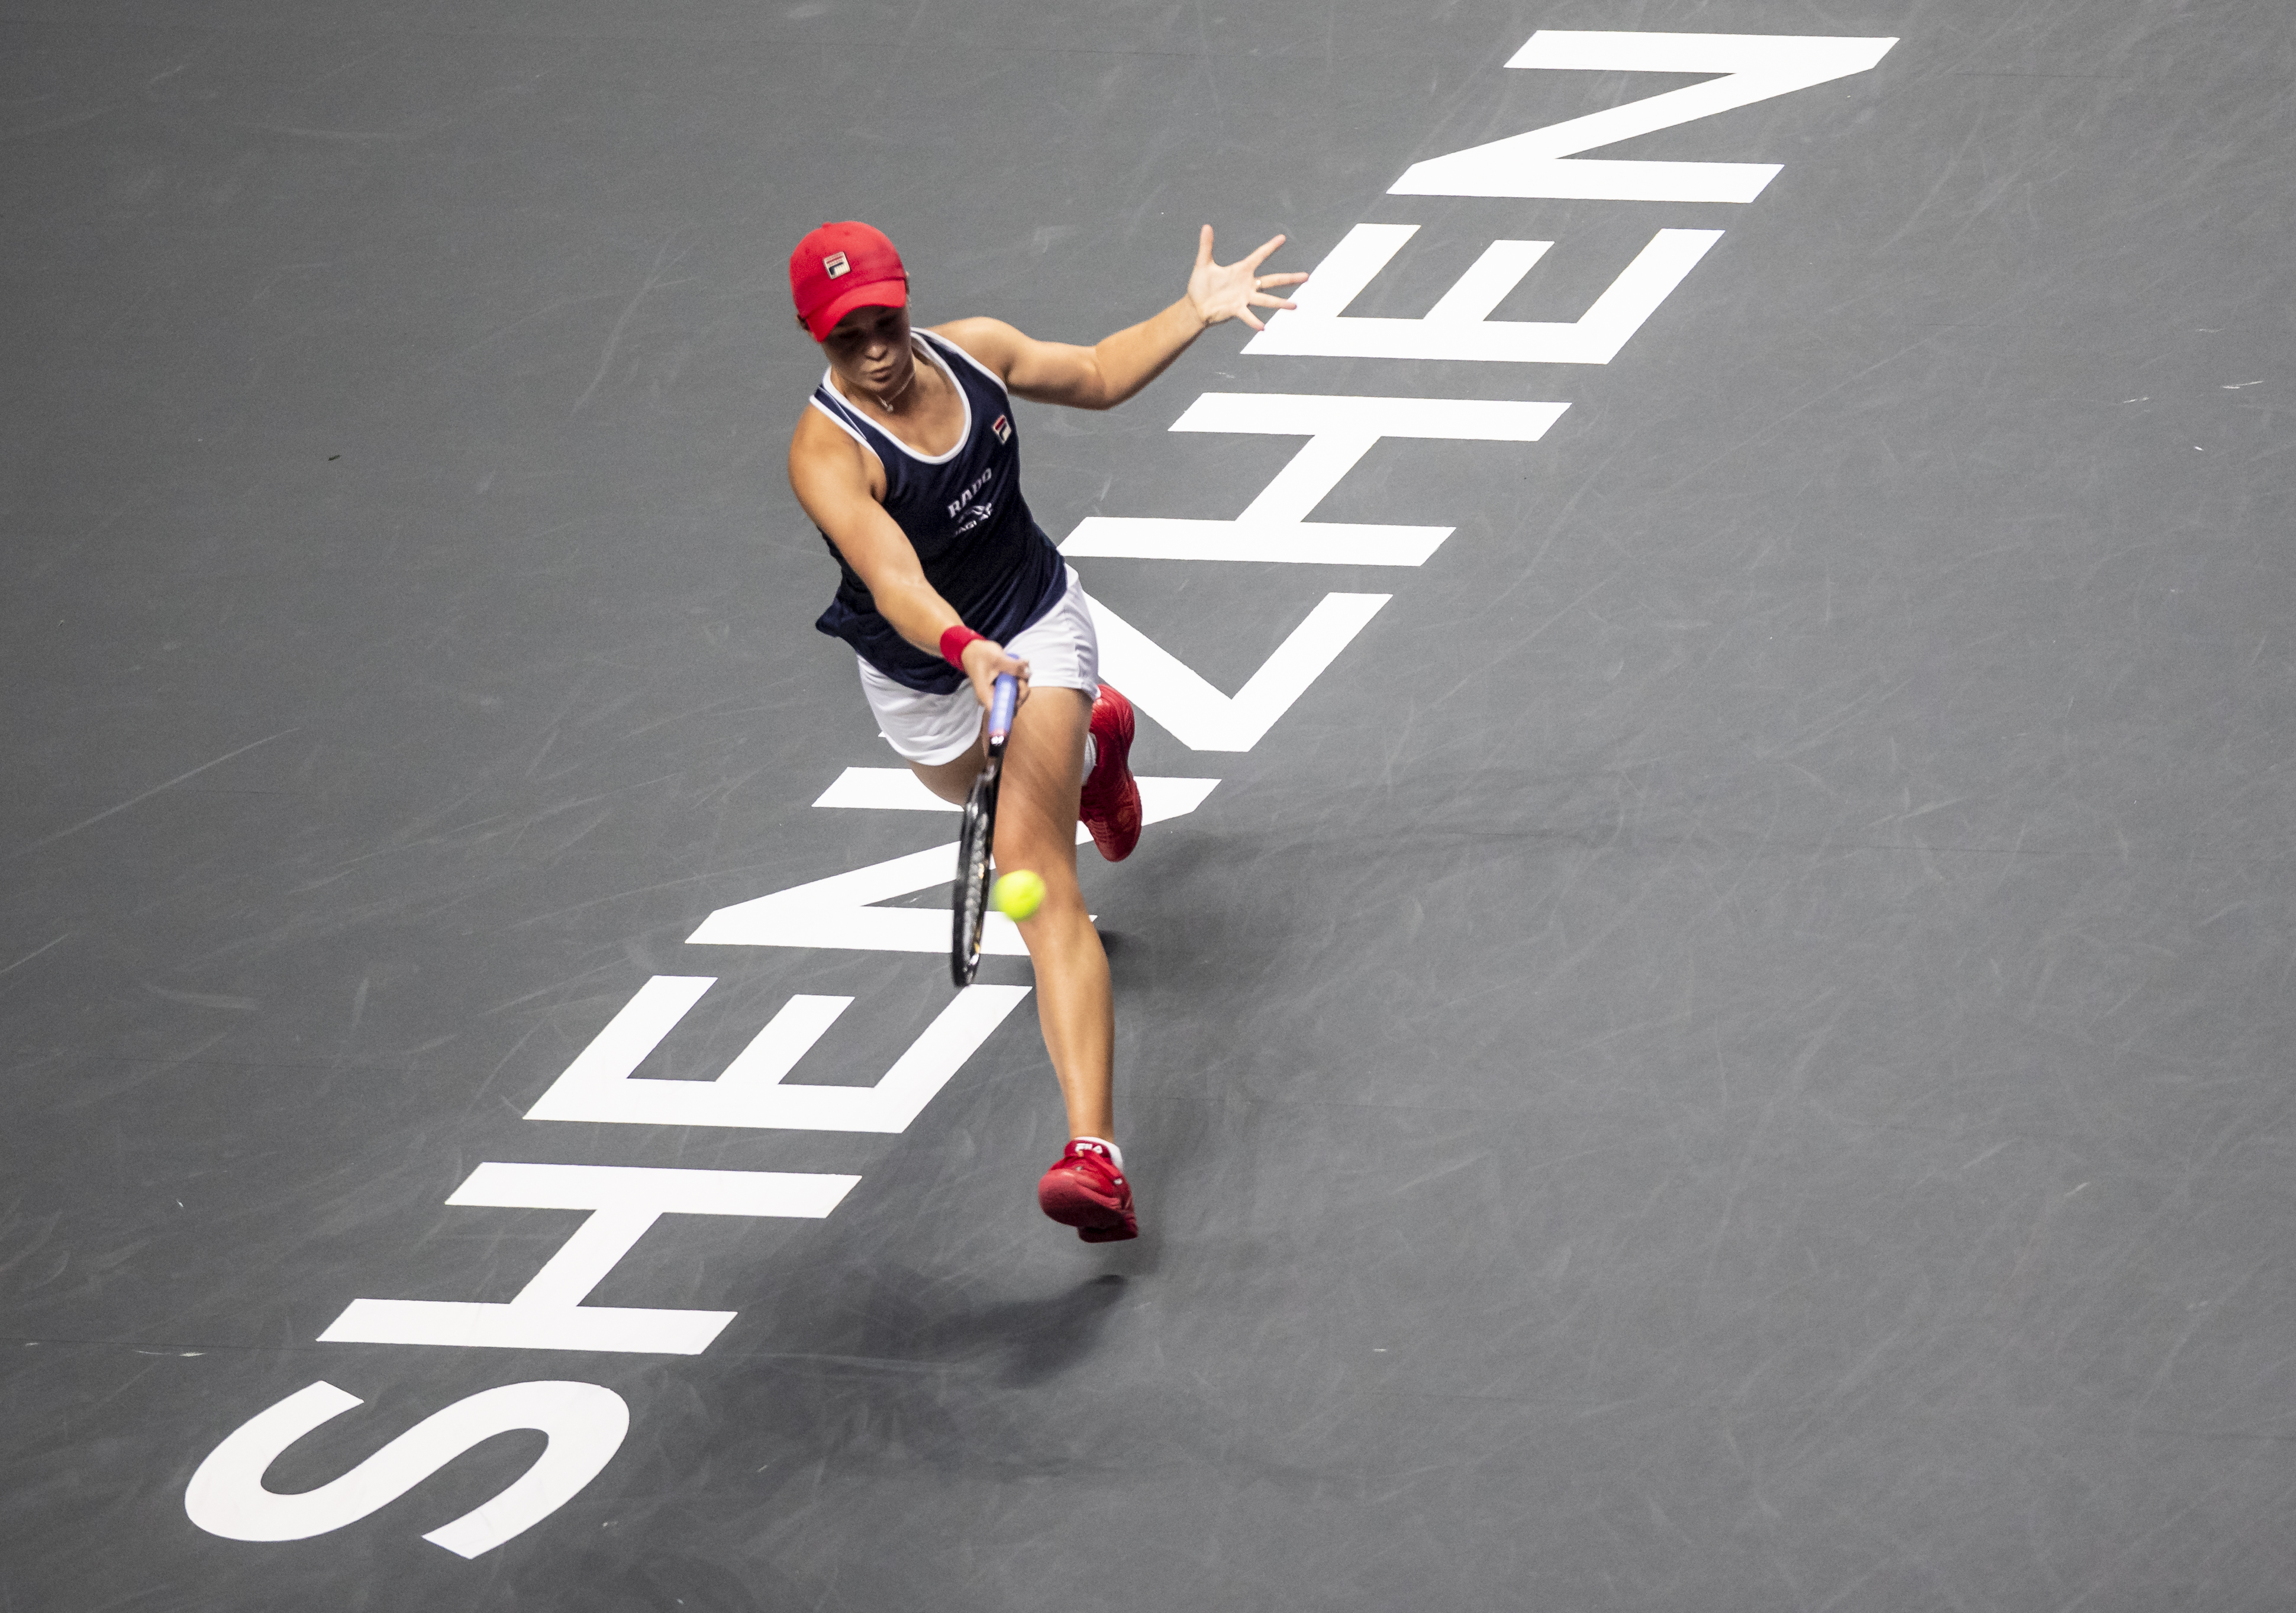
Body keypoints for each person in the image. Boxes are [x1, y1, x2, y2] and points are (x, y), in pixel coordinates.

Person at [785, 218, 1303, 1242]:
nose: (878, 350)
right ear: (820, 340)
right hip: (925, 668)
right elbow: (893, 578)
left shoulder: (975, 350)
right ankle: (1098, 748)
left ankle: (1094, 1154)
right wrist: (961, 650)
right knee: (962, 785)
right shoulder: (824, 454)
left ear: (905, 301)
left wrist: (1192, 313)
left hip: (1032, 621)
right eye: (850, 339)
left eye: (885, 322)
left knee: (1035, 877)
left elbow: (1102, 372)